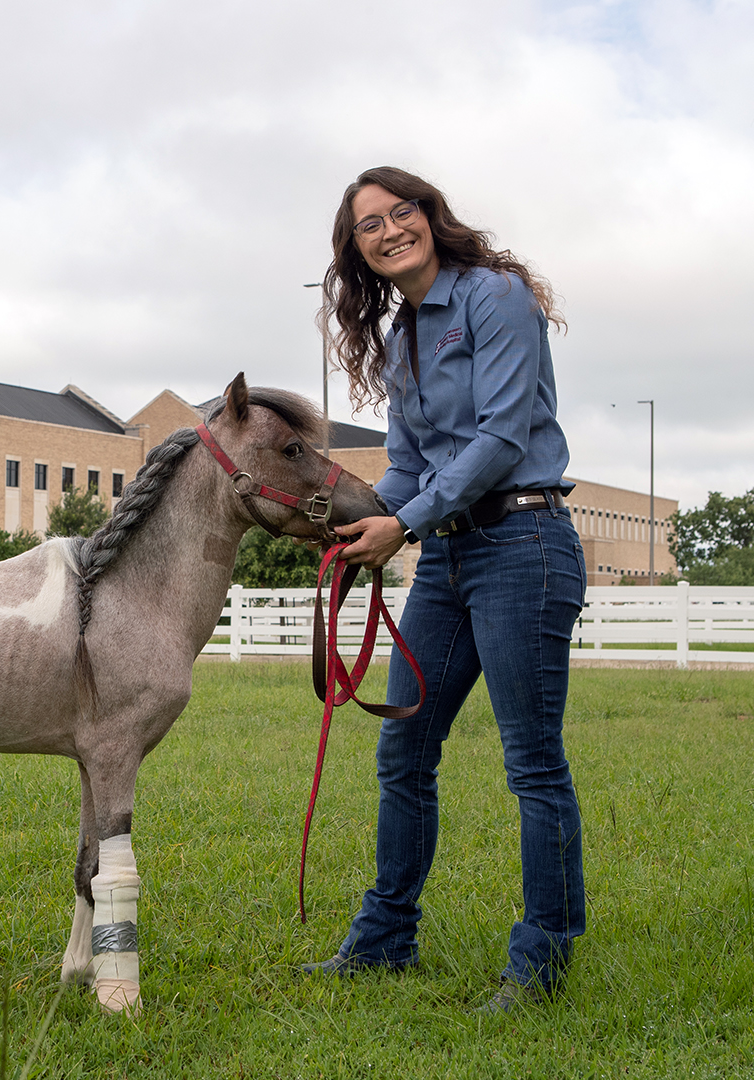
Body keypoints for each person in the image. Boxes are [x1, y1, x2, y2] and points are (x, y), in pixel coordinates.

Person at [303, 166, 586, 1013]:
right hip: (449, 557)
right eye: (369, 225)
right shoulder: (402, 339)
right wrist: (361, 519)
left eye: (402, 212)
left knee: (532, 764)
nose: (390, 230)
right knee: (403, 751)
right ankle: (387, 939)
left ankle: (541, 962)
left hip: (523, 543)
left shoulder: (493, 298)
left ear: (430, 216)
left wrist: (406, 523)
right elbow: (409, 463)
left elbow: (501, 437)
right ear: (356, 250)